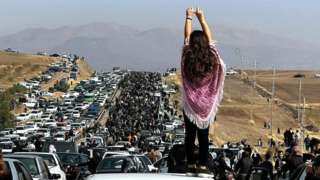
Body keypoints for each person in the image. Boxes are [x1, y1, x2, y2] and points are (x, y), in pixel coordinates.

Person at [181, 7, 226, 177]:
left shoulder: (187, 55)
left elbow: (186, 37)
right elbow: (210, 38)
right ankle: (202, 165)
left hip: (190, 104)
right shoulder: (212, 57)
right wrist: (202, 18)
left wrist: (188, 17)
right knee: (204, 135)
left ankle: (191, 163)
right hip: (206, 105)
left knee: (190, 134)